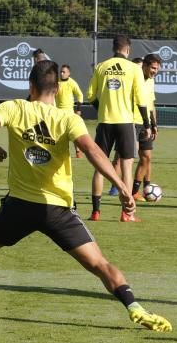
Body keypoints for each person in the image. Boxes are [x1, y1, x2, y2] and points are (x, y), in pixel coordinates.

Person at [0, 60, 172, 333]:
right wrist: (122, 186)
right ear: (57, 90)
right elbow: (93, 152)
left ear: (30, 86)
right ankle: (135, 307)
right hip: (57, 210)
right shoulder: (68, 119)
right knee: (99, 264)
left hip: (19, 207)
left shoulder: (15, 108)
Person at [87, 34, 148, 222]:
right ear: (128, 50)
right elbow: (140, 98)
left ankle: (96, 212)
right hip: (125, 122)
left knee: (100, 168)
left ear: (113, 49)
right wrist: (147, 123)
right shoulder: (133, 68)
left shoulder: (101, 67)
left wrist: (103, 109)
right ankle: (127, 213)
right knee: (126, 167)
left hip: (105, 122)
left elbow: (90, 95)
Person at [133, 54, 161, 198]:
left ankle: (134, 192)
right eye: (153, 68)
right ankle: (117, 187)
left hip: (146, 124)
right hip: (132, 121)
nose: (155, 71)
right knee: (125, 159)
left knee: (146, 157)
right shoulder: (135, 78)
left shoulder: (151, 81)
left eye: (157, 69)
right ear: (144, 66)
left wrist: (154, 124)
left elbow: (150, 104)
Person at [56, 64, 85, 158]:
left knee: (73, 133)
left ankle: (78, 151)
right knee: (59, 134)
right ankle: (62, 151)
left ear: (68, 73)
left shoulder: (72, 83)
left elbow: (80, 95)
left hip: (69, 113)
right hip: (58, 113)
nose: (61, 73)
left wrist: (79, 110)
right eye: (61, 71)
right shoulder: (56, 82)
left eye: (64, 72)